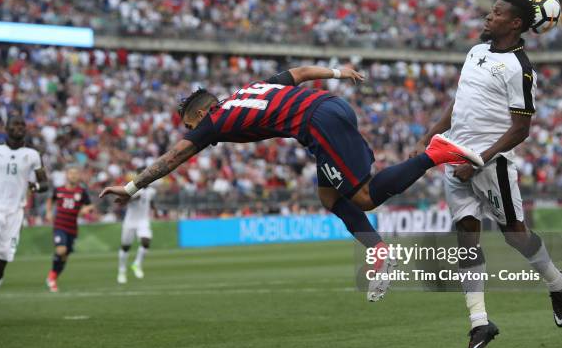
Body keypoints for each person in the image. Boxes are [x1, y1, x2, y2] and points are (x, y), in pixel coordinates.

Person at [99, 65, 483, 301]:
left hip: (317, 124)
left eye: (190, 125)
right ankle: (378, 250)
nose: (191, 132)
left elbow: (173, 157)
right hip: (331, 106)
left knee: (364, 197)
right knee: (328, 196)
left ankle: (435, 153)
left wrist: (131, 186)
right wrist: (337, 73)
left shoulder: (214, 121)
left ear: (201, 112)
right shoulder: (252, 89)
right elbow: (298, 75)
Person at [411, 0, 562, 348]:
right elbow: (459, 100)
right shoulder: (475, 51)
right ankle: (479, 322)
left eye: (497, 12)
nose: (489, 16)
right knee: (466, 234)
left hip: (491, 165)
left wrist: (479, 160)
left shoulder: (520, 68)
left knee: (515, 234)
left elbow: (521, 129)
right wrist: (429, 136)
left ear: (515, 23)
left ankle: (557, 282)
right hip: (454, 159)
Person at [0, 116, 48, 294]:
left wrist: (36, 186)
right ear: (6, 128)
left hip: (15, 213)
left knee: (0, 265)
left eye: (22, 125)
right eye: (15, 124)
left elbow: (44, 184)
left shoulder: (32, 155)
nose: (19, 127)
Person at [45, 166, 95, 292]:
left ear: (78, 176)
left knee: (64, 257)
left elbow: (91, 205)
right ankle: (51, 277)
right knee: (61, 250)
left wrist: (86, 209)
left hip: (72, 228)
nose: (73, 176)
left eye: (75, 174)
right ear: (66, 175)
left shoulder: (81, 191)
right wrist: (49, 212)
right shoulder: (58, 189)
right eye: (71, 173)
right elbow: (50, 200)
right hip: (59, 226)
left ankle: (53, 276)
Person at [117, 178, 157, 284]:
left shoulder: (151, 191)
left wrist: (155, 210)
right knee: (125, 247)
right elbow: (121, 203)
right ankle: (122, 271)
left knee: (146, 241)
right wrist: (133, 199)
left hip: (143, 221)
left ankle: (137, 264)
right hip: (130, 221)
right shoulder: (131, 189)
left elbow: (150, 200)